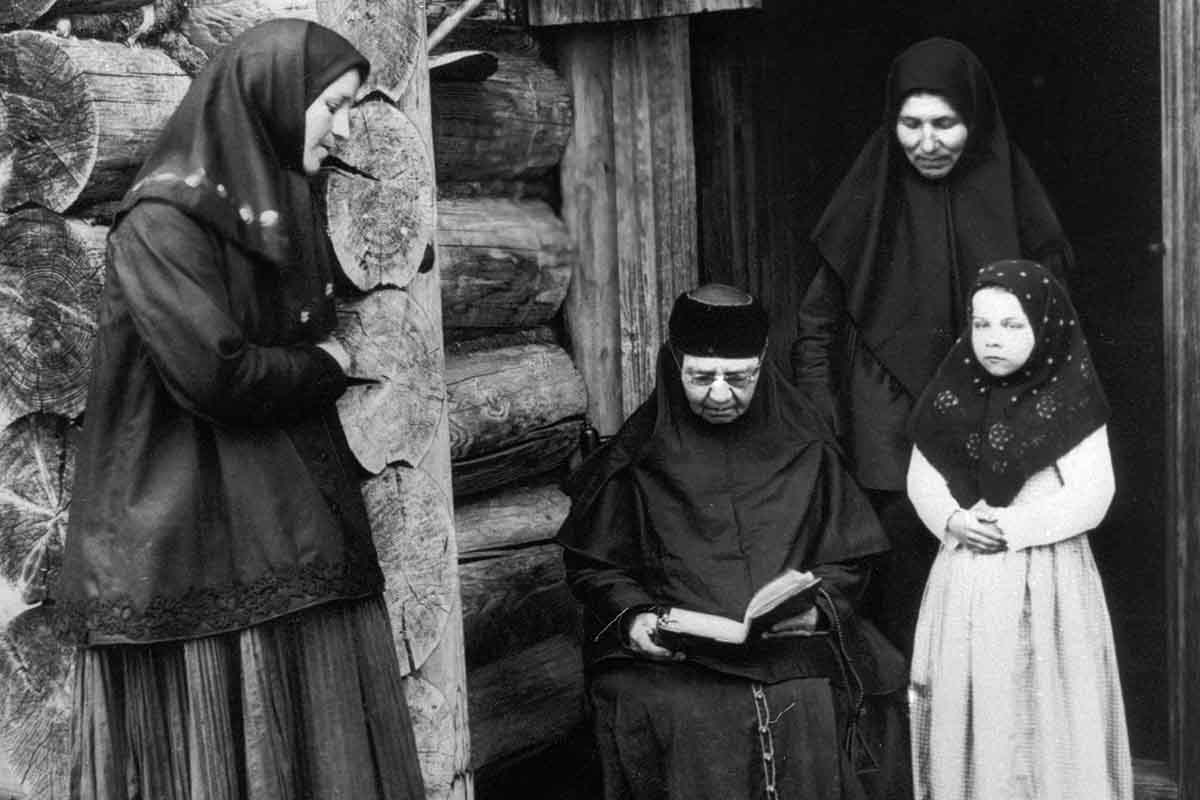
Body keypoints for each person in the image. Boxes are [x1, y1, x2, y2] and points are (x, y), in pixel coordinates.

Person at [52, 20, 427, 799]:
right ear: (273, 99)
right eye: (334, 106)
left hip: (277, 521)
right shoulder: (162, 223)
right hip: (179, 536)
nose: (345, 129)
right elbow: (216, 375)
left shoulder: (274, 206)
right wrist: (325, 366)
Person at [558, 284, 908, 800]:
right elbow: (596, 567)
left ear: (762, 363)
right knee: (677, 713)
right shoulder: (637, 456)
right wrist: (634, 618)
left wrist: (817, 610)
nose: (720, 395)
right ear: (674, 364)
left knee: (826, 699)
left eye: (739, 378)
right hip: (676, 658)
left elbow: (850, 558)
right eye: (702, 377)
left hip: (791, 644)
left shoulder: (807, 446)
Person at [794, 37, 1076, 657]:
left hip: (993, 425)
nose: (926, 142)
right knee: (903, 599)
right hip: (887, 436)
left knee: (993, 601)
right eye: (911, 124)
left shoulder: (1017, 200)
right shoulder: (868, 198)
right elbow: (816, 324)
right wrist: (827, 422)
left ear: (974, 120)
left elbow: (1056, 334)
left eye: (945, 124)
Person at [906, 259, 1131, 799]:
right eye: (981, 324)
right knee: (973, 696)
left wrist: (1013, 526)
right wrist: (954, 519)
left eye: (1012, 325)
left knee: (1042, 700)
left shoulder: (1071, 401)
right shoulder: (952, 393)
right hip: (966, 569)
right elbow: (922, 477)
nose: (992, 339)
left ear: (1044, 327)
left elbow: (1093, 494)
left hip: (1045, 574)